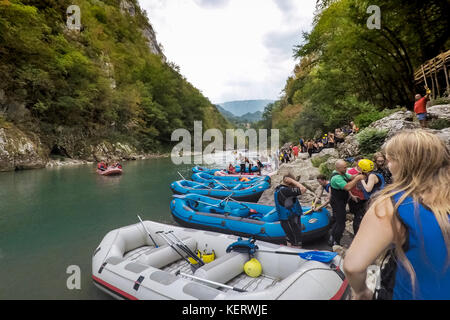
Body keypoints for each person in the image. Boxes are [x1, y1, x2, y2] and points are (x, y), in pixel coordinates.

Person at [343, 130, 450, 300]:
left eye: (390, 160)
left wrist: (362, 292)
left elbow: (353, 266)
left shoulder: (393, 204)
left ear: (405, 163)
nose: (387, 165)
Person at [328, 160, 366, 247]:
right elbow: (347, 187)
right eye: (344, 167)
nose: (346, 168)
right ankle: (335, 242)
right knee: (341, 223)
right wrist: (358, 179)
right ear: (339, 168)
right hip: (337, 203)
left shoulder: (342, 173)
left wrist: (359, 174)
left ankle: (332, 238)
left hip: (341, 201)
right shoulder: (336, 178)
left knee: (338, 221)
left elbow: (351, 177)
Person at [274, 174, 308, 247]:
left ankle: (291, 247)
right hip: (291, 218)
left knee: (290, 238)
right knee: (296, 241)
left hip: (285, 219)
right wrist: (293, 181)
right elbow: (303, 189)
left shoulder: (279, 188)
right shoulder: (286, 190)